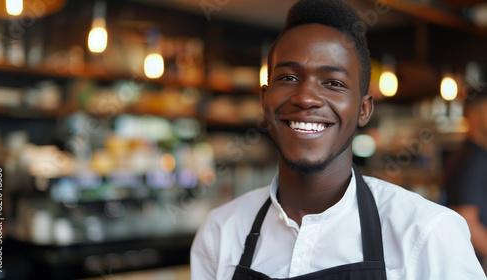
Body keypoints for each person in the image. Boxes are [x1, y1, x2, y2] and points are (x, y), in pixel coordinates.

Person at [191, 0, 486, 279]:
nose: (305, 97)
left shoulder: (427, 233)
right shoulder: (221, 232)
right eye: (289, 78)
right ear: (264, 100)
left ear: (364, 109)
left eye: (333, 83)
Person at [444, 81, 487, 269]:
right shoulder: (471, 160)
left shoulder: (475, 155)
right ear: (473, 115)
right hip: (473, 266)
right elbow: (467, 220)